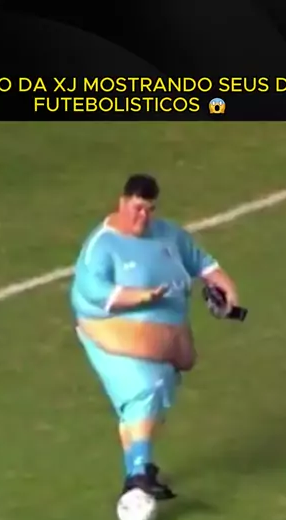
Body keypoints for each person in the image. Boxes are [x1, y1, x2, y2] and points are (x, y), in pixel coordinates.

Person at [70, 174, 239, 500]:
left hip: (168, 337)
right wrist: (141, 297)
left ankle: (141, 467)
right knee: (144, 390)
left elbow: (201, 262)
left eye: (149, 210)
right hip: (114, 333)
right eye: (137, 208)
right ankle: (137, 475)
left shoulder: (167, 234)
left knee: (154, 398)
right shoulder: (102, 245)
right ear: (122, 203)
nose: (143, 217)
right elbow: (94, 291)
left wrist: (225, 287)